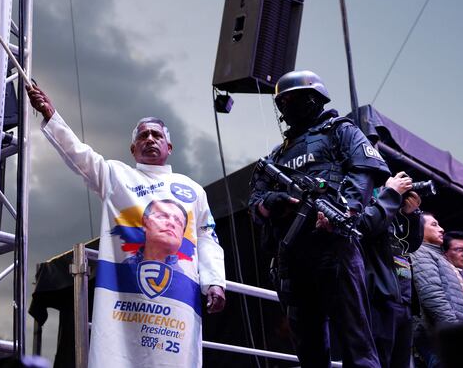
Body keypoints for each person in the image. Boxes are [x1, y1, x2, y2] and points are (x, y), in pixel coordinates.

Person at [26, 84, 226, 368]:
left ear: (169, 147)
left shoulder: (192, 190)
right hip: (124, 304)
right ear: (133, 149)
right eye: (143, 135)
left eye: (157, 135)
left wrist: (215, 281)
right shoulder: (116, 176)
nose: (150, 139)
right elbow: (79, 155)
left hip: (177, 304)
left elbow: (207, 238)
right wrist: (51, 115)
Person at [248, 70, 388, 368]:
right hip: (291, 255)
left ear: (314, 98)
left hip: (333, 247)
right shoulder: (275, 157)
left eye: (294, 98)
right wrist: (272, 203)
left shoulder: (340, 130)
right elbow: (254, 204)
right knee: (309, 348)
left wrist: (345, 211)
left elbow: (364, 172)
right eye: (282, 101)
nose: (288, 105)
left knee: (356, 342)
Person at [359, 172, 424, 368]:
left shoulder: (391, 205)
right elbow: (365, 228)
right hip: (378, 295)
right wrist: (390, 194)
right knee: (378, 360)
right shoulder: (365, 194)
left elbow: (411, 245)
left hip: (402, 298)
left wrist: (412, 214)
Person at [411, 213, 463, 368]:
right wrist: (454, 329)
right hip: (439, 339)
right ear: (419, 228)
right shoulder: (421, 252)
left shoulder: (436, 255)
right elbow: (432, 295)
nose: (441, 229)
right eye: (434, 225)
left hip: (450, 334)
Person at [123, 199, 188, 273]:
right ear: (145, 222)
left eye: (178, 222)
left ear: (182, 235)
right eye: (162, 216)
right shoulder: (120, 268)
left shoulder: (190, 278)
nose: (171, 223)